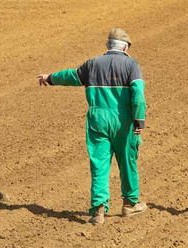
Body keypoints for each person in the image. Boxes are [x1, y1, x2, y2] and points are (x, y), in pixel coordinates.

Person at [36, 28, 148, 225]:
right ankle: (130, 204)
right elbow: (137, 94)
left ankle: (98, 210)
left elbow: (70, 76)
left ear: (108, 46)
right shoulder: (131, 64)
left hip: (97, 118)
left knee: (99, 164)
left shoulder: (92, 64)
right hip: (124, 119)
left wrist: (50, 78)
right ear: (124, 46)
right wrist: (139, 120)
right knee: (128, 161)